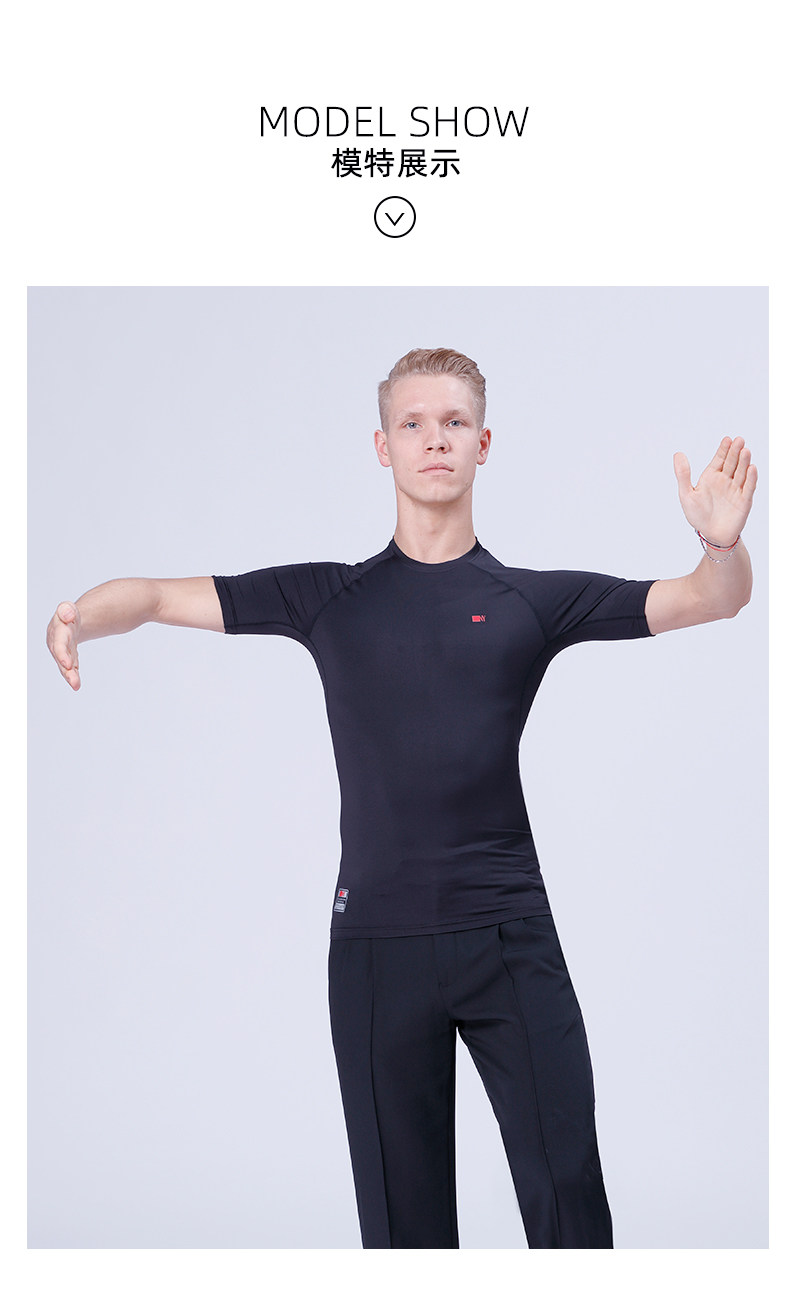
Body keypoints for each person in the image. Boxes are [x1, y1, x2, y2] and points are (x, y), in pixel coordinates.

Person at [46, 347, 757, 1249]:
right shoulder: (329, 597)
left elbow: (709, 600)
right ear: (382, 445)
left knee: (569, 1199)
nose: (434, 439)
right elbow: (152, 595)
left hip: (508, 936)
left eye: (454, 422)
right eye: (413, 423)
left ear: (483, 443)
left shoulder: (530, 601)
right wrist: (78, 615)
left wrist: (721, 543)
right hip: (377, 951)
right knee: (403, 1235)